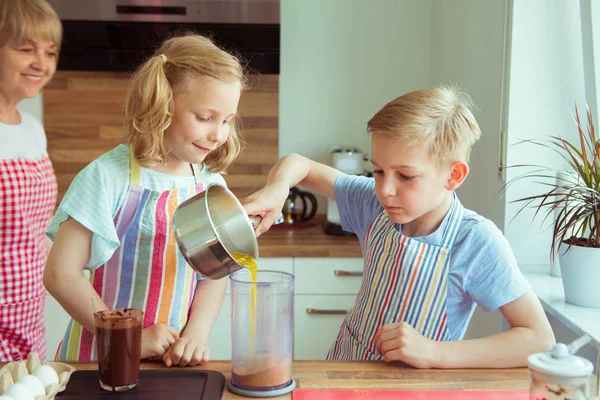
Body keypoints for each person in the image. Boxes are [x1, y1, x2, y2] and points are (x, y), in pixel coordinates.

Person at [243, 86, 555, 368]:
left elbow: (538, 338)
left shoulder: (475, 241)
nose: (385, 189)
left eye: (405, 176)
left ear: (454, 175)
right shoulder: (373, 205)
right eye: (378, 170)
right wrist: (277, 188)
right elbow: (300, 164)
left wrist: (434, 352)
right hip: (344, 374)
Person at [44, 33, 246, 366]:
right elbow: (60, 274)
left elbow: (214, 274)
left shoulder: (210, 185)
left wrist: (195, 336)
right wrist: (124, 335)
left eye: (227, 120)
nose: (219, 135)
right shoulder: (108, 177)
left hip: (170, 363)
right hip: (99, 360)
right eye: (205, 117)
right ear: (162, 105)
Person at [0, 0, 62, 361]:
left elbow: (33, 230)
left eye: (50, 52)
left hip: (28, 316)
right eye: (26, 49)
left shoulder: (33, 130)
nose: (42, 64)